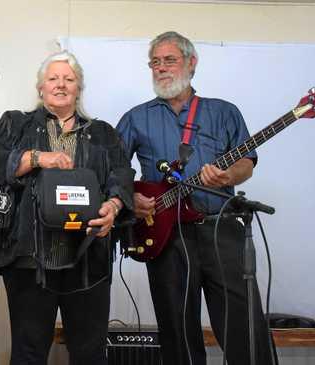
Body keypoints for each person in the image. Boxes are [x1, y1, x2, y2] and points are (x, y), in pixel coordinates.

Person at [116, 31, 275, 365]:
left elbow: (247, 161)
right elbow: (113, 171)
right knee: (177, 331)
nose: (161, 68)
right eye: (155, 62)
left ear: (191, 62)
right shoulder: (135, 117)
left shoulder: (224, 112)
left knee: (244, 326)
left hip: (222, 229)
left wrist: (228, 176)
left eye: (169, 60)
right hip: (166, 235)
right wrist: (131, 196)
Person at [0, 51, 134, 365]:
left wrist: (114, 206)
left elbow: (123, 175)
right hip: (29, 260)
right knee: (29, 352)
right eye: (53, 79)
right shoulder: (15, 123)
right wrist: (36, 158)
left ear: (78, 89)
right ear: (40, 89)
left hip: (88, 258)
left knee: (89, 353)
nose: (61, 85)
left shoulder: (103, 133)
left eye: (69, 79)